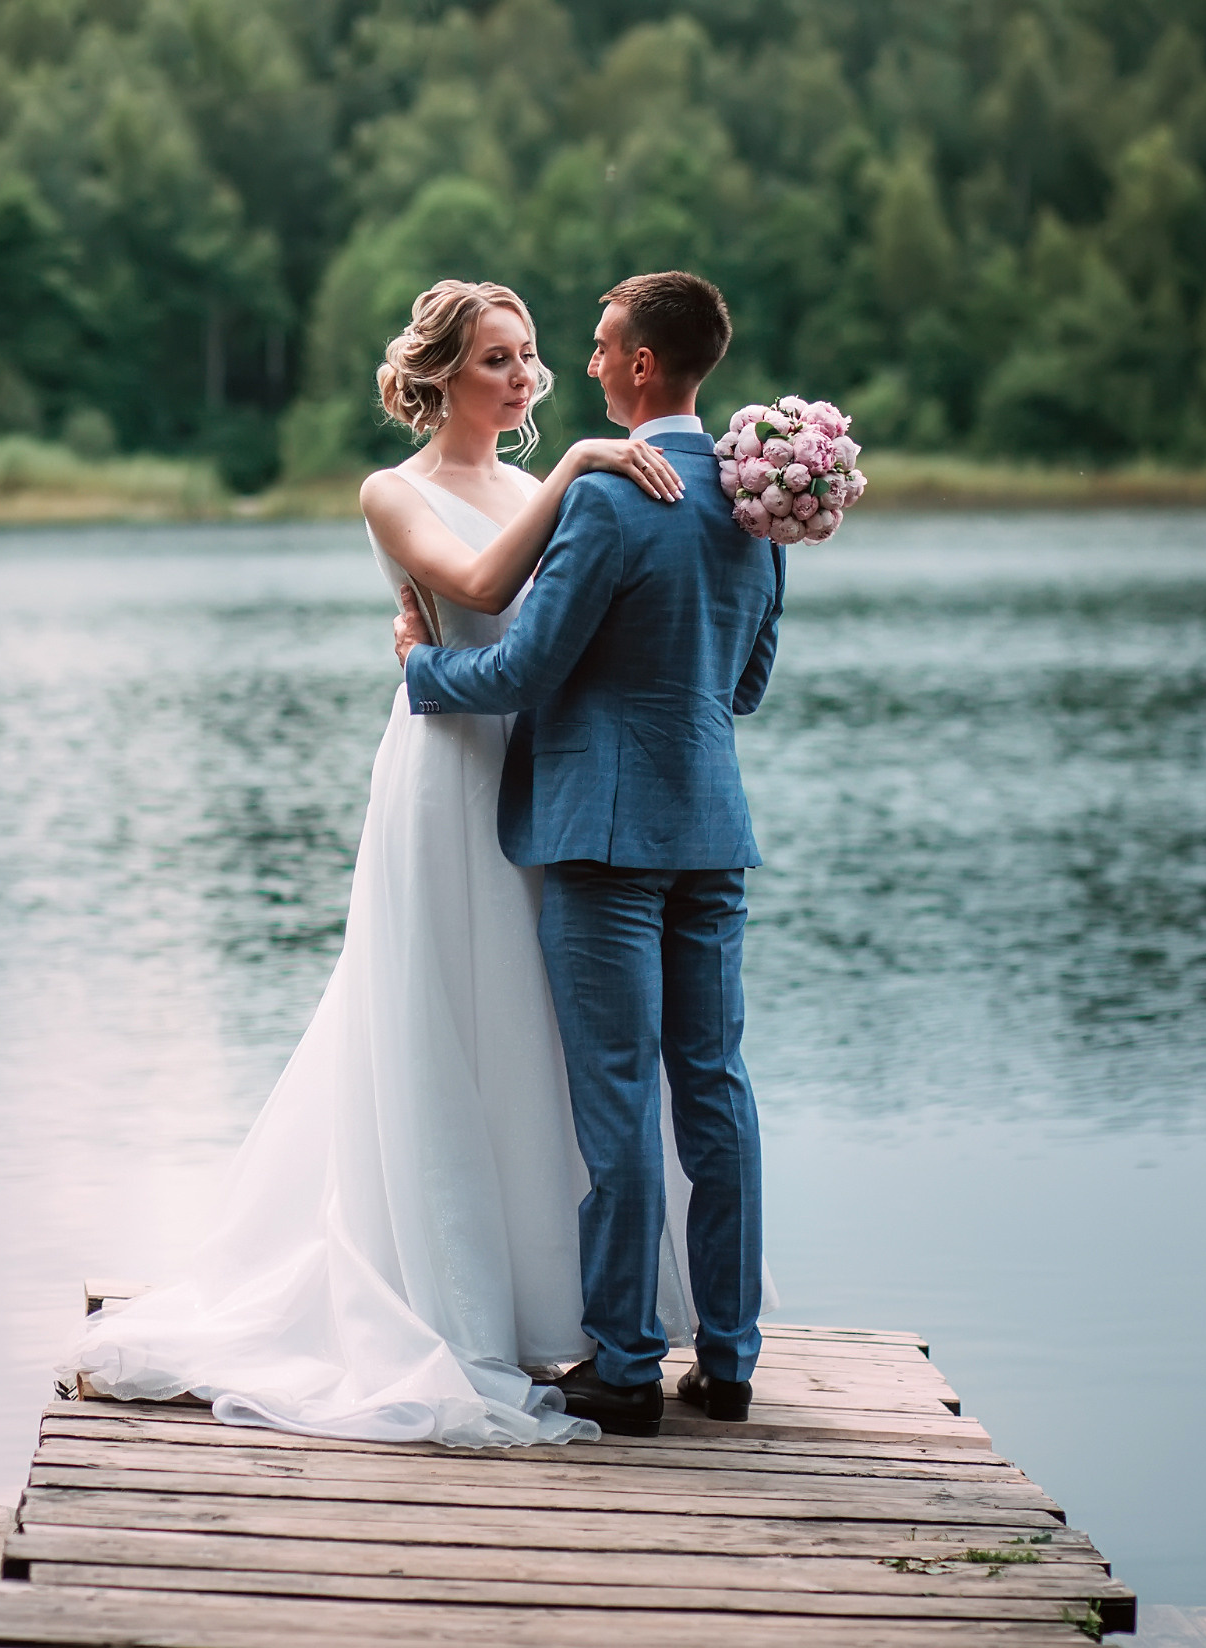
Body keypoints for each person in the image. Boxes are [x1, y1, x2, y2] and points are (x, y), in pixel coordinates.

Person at [67, 279, 708, 1446]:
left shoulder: (539, 483)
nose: (521, 379)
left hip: (544, 774)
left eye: (528, 359)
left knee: (539, 1029)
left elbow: (574, 632)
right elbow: (473, 590)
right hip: (444, 776)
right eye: (495, 362)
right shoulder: (398, 491)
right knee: (441, 1014)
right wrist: (577, 469)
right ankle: (436, 1289)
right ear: (439, 378)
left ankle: (544, 1301)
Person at [395, 270, 782, 1438]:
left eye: (605, 345)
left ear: (644, 367)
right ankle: (727, 1357)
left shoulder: (606, 499)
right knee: (713, 1090)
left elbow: (519, 672)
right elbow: (745, 685)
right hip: (710, 832)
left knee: (614, 1100)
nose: (590, 362)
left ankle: (623, 1364)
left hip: (600, 841)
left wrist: (418, 667)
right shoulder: (757, 497)